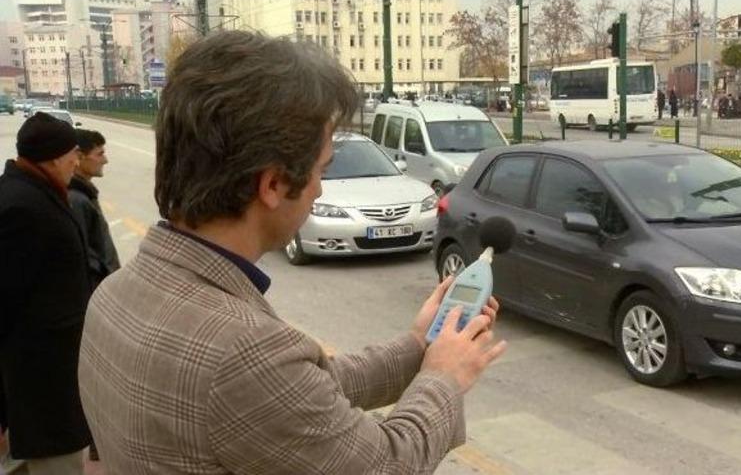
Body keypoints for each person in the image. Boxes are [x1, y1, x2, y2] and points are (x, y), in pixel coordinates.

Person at [78, 31, 506, 475]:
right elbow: (387, 463)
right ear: (274, 185)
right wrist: (444, 378)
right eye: (321, 170)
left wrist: (420, 346)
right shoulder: (242, 351)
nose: (320, 188)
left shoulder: (114, 294)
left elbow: (306, 394)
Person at [0, 112, 92, 475]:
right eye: (73, 152)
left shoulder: (34, 192)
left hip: (49, 380)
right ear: (53, 156)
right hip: (41, 387)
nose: (77, 159)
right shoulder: (21, 207)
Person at [67, 129, 118, 462]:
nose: (105, 159)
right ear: (80, 157)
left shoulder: (82, 195)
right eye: (99, 153)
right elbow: (85, 256)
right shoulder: (76, 200)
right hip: (94, 301)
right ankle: (99, 441)